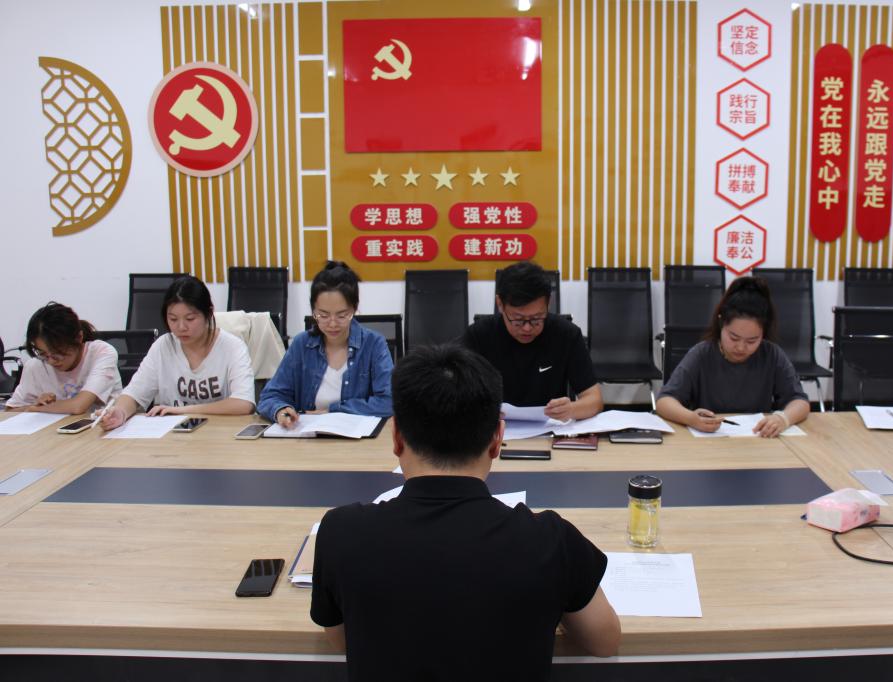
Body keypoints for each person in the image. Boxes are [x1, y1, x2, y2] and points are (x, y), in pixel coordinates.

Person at [311, 345, 621, 680]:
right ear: (497, 440)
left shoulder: (341, 533)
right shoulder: (550, 540)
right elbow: (604, 642)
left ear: (397, 438)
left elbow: (340, 641)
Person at [656, 276, 810, 438]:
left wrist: (783, 419)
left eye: (752, 341)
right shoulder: (702, 354)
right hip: (711, 441)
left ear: (763, 333)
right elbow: (664, 401)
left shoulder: (771, 354)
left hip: (757, 441)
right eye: (734, 338)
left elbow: (799, 401)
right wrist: (690, 418)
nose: (741, 347)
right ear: (721, 323)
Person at [100, 276, 255, 429]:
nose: (181, 327)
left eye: (190, 319)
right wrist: (120, 412)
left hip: (219, 433)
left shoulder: (232, 347)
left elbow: (243, 404)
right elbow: (134, 394)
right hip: (172, 435)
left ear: (208, 313)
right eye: (173, 319)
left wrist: (183, 411)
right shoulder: (163, 346)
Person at [462, 261, 602, 421]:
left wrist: (571, 409)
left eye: (536, 318)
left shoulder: (567, 334)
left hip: (550, 431)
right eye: (518, 319)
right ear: (500, 304)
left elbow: (594, 399)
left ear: (548, 303)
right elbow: (453, 391)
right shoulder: (479, 335)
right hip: (496, 431)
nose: (527, 328)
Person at [257, 261, 392, 424]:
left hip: (355, 435)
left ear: (354, 308)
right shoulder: (301, 344)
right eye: (323, 315)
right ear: (313, 310)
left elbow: (389, 401)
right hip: (306, 434)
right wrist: (280, 410)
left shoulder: (373, 344)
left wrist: (335, 410)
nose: (332, 323)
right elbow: (270, 396)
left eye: (342, 315)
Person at [5, 302, 121, 414]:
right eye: (42, 353)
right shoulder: (36, 365)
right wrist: (36, 405)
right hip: (54, 427)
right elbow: (10, 411)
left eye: (58, 353)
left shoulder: (100, 353)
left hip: (101, 425)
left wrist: (37, 409)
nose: (51, 361)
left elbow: (78, 406)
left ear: (79, 337)